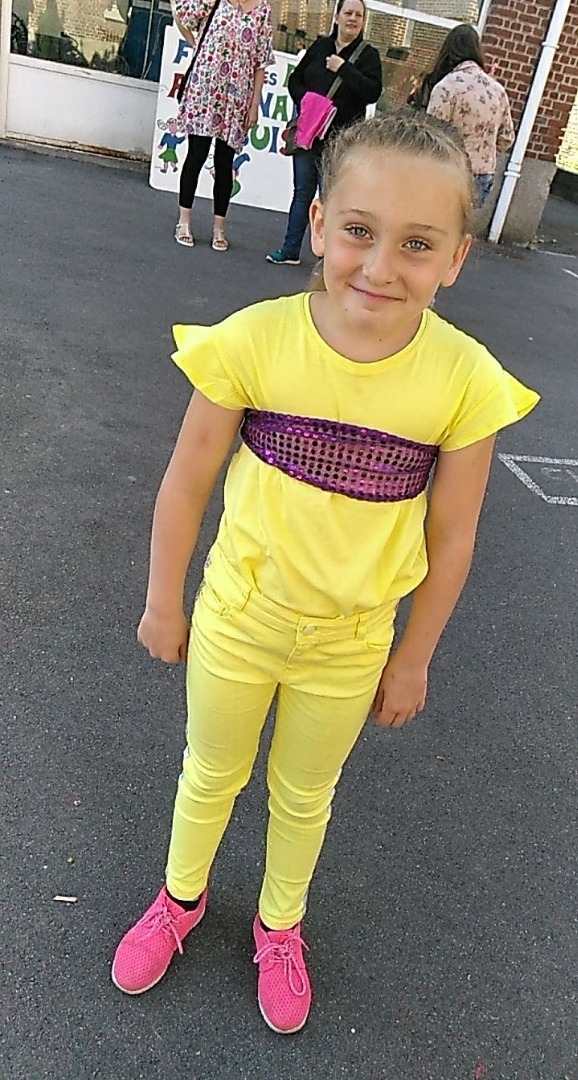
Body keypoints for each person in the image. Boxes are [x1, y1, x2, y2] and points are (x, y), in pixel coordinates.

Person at [111, 112, 539, 1034]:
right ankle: (181, 897)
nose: (381, 266)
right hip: (240, 614)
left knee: (305, 795)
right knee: (210, 771)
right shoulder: (256, 341)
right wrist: (161, 600)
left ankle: (280, 925)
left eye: (417, 244)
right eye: (358, 230)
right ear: (318, 224)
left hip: (350, 642)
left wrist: (414, 658)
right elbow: (187, 478)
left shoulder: (465, 380)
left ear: (456, 258)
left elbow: (455, 538)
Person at [266, 0, 381, 266]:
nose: (353, 18)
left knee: (333, 200)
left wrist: (343, 69)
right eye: (348, 13)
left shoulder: (368, 56)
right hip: (309, 135)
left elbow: (372, 92)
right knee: (302, 193)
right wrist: (309, 103)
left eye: (359, 15)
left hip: (341, 141)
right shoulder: (320, 47)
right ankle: (290, 249)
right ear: (337, 17)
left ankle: (332, 260)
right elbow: (295, 80)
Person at [172, 0, 274, 251]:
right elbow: (182, 15)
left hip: (236, 98)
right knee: (196, 155)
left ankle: (219, 228)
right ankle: (184, 221)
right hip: (205, 90)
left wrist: (254, 104)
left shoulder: (263, 10)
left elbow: (261, 62)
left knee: (225, 162)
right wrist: (195, 44)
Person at [424, 23, 514, 208]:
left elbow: (432, 135)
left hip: (449, 169)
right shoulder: (497, 91)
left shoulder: (446, 87)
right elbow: (507, 138)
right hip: (484, 172)